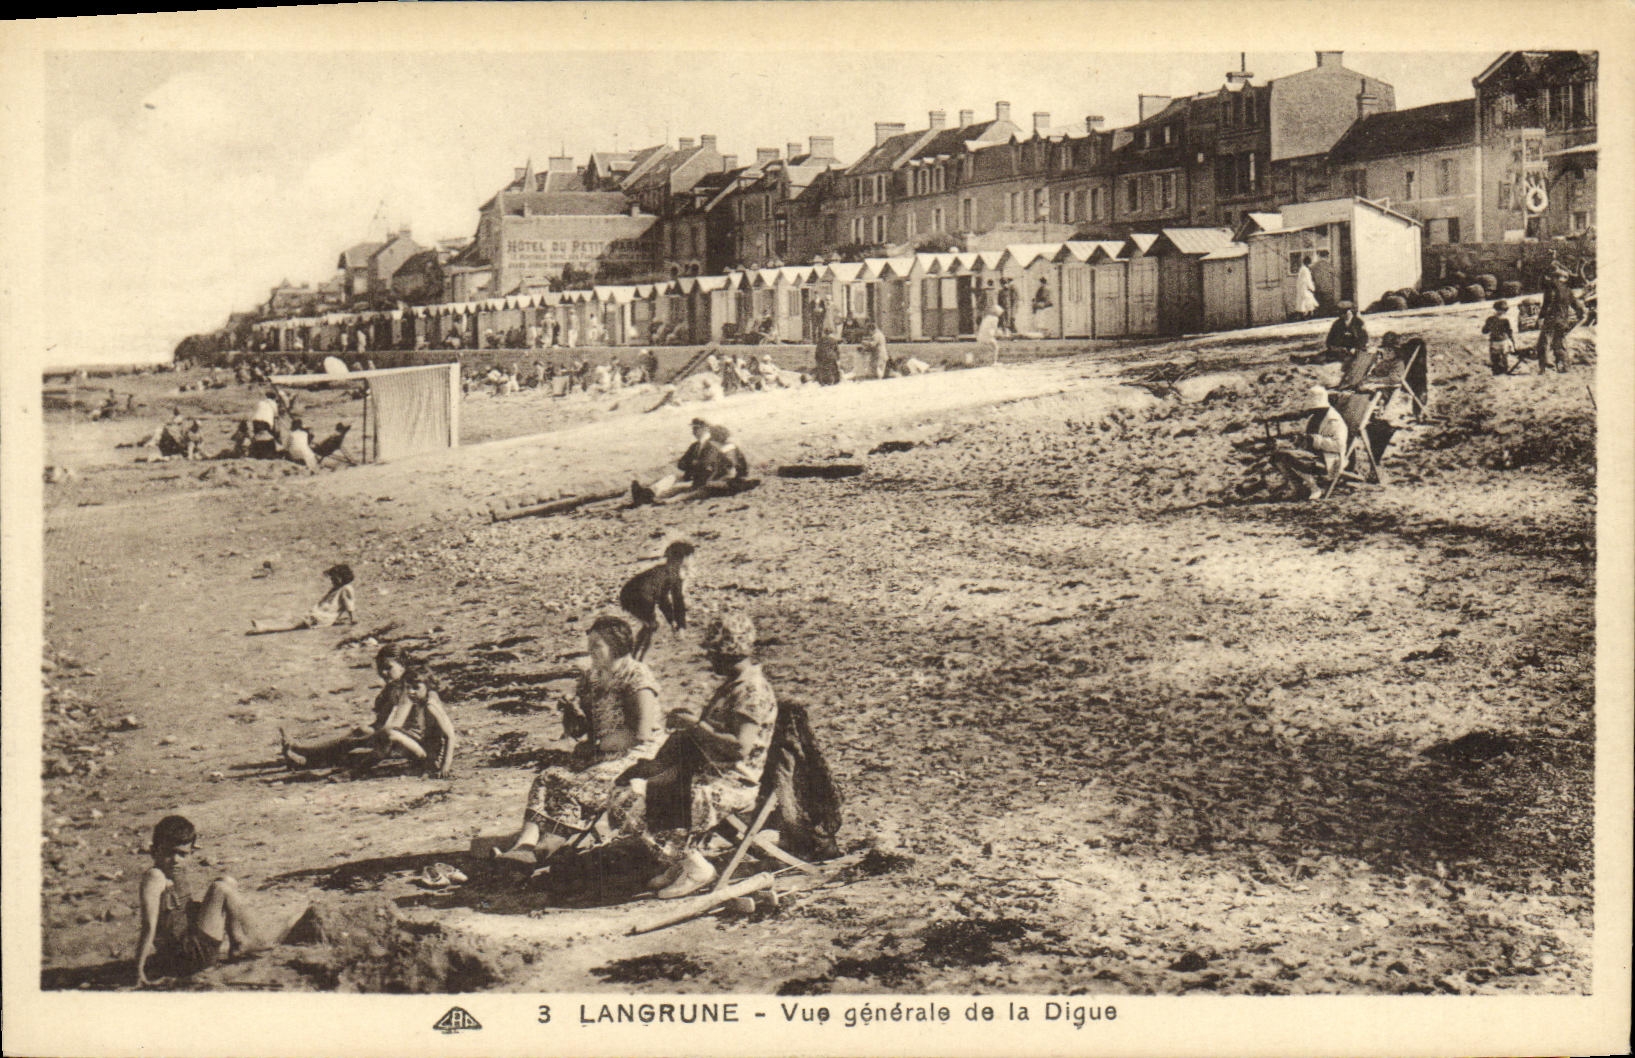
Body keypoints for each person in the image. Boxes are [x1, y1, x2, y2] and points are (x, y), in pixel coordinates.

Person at [626, 612, 779, 898]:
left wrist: (694, 726)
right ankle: (681, 860)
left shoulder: (752, 691)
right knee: (635, 788)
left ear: (727, 653)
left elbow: (739, 747)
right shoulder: (734, 686)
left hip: (731, 783)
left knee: (639, 801)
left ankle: (697, 868)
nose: (710, 660)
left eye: (713, 653)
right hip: (708, 773)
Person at [493, 616, 663, 864]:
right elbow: (585, 729)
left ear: (616, 645)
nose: (590, 651)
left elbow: (642, 732)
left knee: (578, 786)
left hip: (637, 756)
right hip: (602, 753)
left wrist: (600, 745)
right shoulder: (593, 677)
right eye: (589, 645)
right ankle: (525, 844)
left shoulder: (636, 676)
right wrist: (572, 715)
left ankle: (546, 848)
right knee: (548, 777)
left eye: (597, 645)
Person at [134, 815, 275, 987]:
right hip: (185, 955)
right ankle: (257, 940)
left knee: (227, 881)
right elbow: (149, 926)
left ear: (191, 852)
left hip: (191, 945)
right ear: (154, 850)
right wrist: (139, 970)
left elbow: (181, 911)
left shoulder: (174, 872)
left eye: (182, 854)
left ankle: (237, 942)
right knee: (220, 889)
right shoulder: (155, 876)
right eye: (169, 852)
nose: (176, 860)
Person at [280, 645, 410, 770]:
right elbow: (383, 721)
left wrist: (367, 735)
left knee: (359, 742)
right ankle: (303, 755)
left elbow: (395, 725)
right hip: (397, 737)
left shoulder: (409, 687)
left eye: (388, 668)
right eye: (380, 668)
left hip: (408, 740)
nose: (383, 672)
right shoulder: (394, 686)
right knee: (359, 737)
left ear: (403, 665)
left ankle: (302, 751)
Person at [619, 540, 695, 660]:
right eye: (690, 557)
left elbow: (664, 599)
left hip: (629, 594)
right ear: (683, 558)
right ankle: (636, 659)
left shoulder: (664, 570)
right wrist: (679, 625)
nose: (691, 561)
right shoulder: (674, 573)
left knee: (650, 625)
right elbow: (675, 600)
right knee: (651, 625)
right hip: (640, 596)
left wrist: (673, 622)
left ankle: (635, 657)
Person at [250, 563, 357, 634]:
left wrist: (353, 618)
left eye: (334, 578)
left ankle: (265, 627)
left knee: (294, 623)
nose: (332, 580)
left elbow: (349, 604)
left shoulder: (346, 588)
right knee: (291, 618)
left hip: (321, 617)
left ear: (341, 578)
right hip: (319, 614)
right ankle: (264, 624)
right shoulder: (336, 589)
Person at [630, 418, 712, 506]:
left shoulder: (711, 446)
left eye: (696, 428)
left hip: (703, 480)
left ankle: (649, 497)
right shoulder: (694, 446)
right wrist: (692, 464)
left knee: (675, 488)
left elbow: (706, 465)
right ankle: (647, 494)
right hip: (691, 477)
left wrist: (692, 464)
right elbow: (681, 464)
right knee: (671, 478)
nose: (694, 431)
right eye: (693, 429)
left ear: (705, 429)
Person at [1535, 264, 1586, 373]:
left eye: (1552, 277)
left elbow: (1546, 305)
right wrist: (1581, 314)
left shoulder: (1550, 289)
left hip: (1551, 320)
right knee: (1560, 343)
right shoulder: (1568, 291)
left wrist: (1540, 318)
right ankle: (1564, 366)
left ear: (1554, 278)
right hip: (1563, 321)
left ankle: (1543, 368)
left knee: (1543, 343)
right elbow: (1577, 306)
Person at [1482, 300, 1517, 376]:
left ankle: (1497, 370)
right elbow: (1509, 332)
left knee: (1495, 357)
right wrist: (1513, 342)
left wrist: (1490, 327)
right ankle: (1504, 370)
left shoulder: (1490, 319)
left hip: (1494, 341)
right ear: (1505, 310)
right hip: (1504, 340)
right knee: (1505, 357)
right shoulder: (1505, 320)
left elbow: (1484, 331)